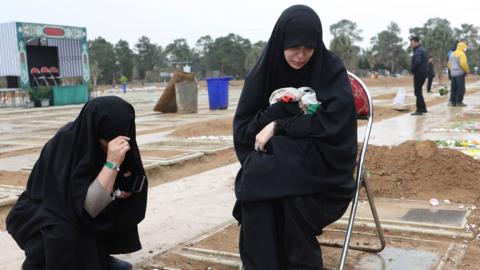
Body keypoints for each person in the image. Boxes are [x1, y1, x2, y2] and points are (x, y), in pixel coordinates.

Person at [232, 5, 357, 269]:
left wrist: (279, 125)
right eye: (294, 48)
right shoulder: (264, 72)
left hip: (323, 165)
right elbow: (244, 133)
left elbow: (334, 126)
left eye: (308, 48)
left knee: (282, 189)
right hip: (278, 164)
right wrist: (280, 108)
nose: (301, 56)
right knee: (261, 180)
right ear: (281, 42)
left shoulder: (330, 69)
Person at [6, 96, 148, 270]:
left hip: (75, 207)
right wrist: (112, 163)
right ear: (95, 131)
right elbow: (89, 207)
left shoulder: (118, 141)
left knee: (120, 211)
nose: (117, 146)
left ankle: (101, 256)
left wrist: (123, 188)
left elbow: (128, 177)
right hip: (45, 209)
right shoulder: (67, 143)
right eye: (109, 141)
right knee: (66, 233)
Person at [409, 36, 429, 115]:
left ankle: (419, 110)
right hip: (423, 73)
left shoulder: (418, 51)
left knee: (417, 92)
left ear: (417, 43)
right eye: (411, 43)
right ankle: (423, 108)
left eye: (412, 43)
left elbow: (417, 62)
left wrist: (412, 69)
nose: (411, 44)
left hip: (419, 73)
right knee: (419, 91)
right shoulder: (421, 50)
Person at [448, 42, 470, 106]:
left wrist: (452, 70)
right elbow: (463, 64)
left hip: (453, 74)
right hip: (460, 73)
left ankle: (453, 102)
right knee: (461, 88)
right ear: (462, 47)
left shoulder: (452, 54)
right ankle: (459, 102)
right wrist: (466, 70)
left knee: (453, 88)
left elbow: (449, 64)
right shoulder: (462, 54)